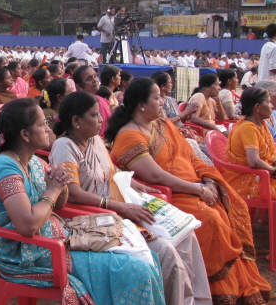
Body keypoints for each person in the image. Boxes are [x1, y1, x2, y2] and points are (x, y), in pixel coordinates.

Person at [0, 98, 165, 304]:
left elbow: (59, 204)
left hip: (54, 240)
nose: (48, 129)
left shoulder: (33, 161)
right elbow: (28, 225)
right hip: (27, 254)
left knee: (146, 258)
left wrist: (62, 184)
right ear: (25, 134)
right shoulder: (5, 167)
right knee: (134, 269)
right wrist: (53, 189)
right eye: (42, 124)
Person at [106, 77, 271, 304]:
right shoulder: (129, 136)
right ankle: (217, 292)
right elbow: (155, 176)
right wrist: (198, 189)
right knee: (211, 219)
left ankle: (235, 285)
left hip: (194, 187)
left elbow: (193, 158)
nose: (163, 102)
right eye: (157, 98)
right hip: (168, 197)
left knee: (229, 207)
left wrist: (209, 181)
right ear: (140, 104)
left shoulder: (163, 125)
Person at [50, 91, 212, 305]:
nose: (101, 119)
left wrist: (138, 187)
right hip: (93, 219)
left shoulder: (95, 141)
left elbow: (112, 172)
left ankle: (195, 301)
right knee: (165, 252)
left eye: (100, 114)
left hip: (118, 208)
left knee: (186, 236)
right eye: (94, 115)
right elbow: (74, 194)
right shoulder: (65, 146)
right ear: (76, 121)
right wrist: (121, 208)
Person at [224, 87, 276, 200]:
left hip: (261, 174)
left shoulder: (260, 124)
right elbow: (254, 161)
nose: (272, 106)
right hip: (247, 179)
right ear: (257, 107)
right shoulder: (248, 128)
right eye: (268, 102)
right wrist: (274, 171)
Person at [74, 65, 111, 137]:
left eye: (95, 76)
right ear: (79, 87)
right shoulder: (80, 105)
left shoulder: (100, 99)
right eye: (89, 79)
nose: (95, 80)